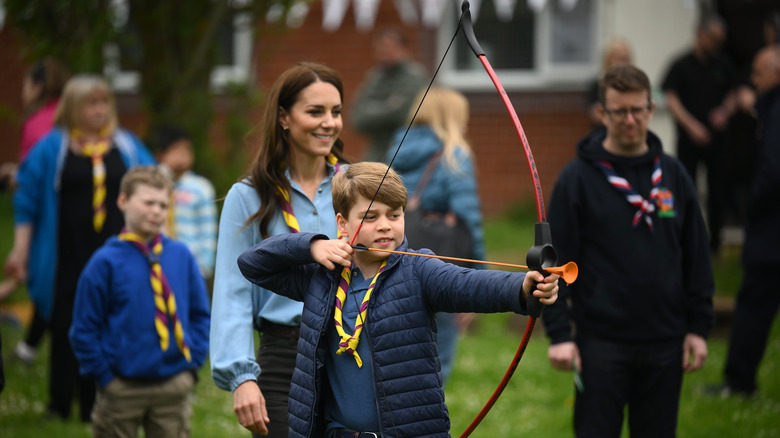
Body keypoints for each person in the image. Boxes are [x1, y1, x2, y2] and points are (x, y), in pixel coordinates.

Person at [236, 161, 560, 438]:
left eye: (394, 215)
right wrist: (310, 246)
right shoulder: (321, 276)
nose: (385, 227)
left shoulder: (419, 270)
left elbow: (467, 284)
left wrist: (523, 287)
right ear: (342, 224)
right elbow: (253, 264)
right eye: (371, 216)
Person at [543, 64, 715, 438]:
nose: (630, 119)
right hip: (600, 343)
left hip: (666, 340)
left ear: (652, 109)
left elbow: (697, 254)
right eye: (620, 111)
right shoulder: (577, 179)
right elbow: (551, 261)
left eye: (638, 109)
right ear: (603, 112)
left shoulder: (673, 174)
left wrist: (699, 327)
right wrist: (560, 334)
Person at [4, 74, 155, 421]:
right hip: (65, 254)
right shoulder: (52, 148)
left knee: (110, 324)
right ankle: (58, 405)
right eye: (92, 103)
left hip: (117, 254)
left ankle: (96, 405)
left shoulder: (127, 146)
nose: (101, 110)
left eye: (105, 102)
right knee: (64, 326)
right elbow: (26, 198)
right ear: (73, 107)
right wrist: (21, 249)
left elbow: (154, 186)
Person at [209, 62, 349, 437]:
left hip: (352, 350)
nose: (329, 123)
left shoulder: (355, 184)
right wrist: (241, 375)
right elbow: (232, 290)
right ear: (284, 118)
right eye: (315, 111)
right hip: (285, 356)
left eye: (335, 112)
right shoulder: (248, 195)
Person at [69, 166, 210, 437]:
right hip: (122, 387)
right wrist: (105, 377)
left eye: (163, 205)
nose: (156, 211)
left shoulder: (181, 256)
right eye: (148, 202)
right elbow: (84, 328)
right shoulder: (105, 262)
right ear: (123, 201)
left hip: (174, 384)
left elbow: (200, 314)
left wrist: (192, 365)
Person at [386, 87, 484, 384]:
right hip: (441, 269)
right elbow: (469, 221)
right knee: (436, 365)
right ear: (451, 119)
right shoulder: (454, 155)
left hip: (393, 265)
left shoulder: (396, 150)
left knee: (395, 356)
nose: (466, 126)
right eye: (462, 118)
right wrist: (478, 283)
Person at [712, 45, 780, 398]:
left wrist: (750, 208)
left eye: (758, 73)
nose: (752, 80)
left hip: (771, 237)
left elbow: (772, 170)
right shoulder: (767, 106)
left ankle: (739, 383)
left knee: (753, 308)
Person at [6, 57, 71, 367]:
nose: (22, 90)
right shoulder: (67, 117)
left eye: (26, 84)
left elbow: (32, 180)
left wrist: (12, 175)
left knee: (47, 281)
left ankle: (34, 349)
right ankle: (30, 347)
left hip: (49, 220)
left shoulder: (37, 124)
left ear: (38, 86)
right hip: (78, 217)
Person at [661, 14, 739, 255]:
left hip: (717, 142)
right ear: (699, 33)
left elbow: (736, 92)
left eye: (720, 40)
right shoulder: (681, 64)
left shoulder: (723, 63)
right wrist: (691, 125)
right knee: (685, 189)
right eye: (713, 38)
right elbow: (670, 97)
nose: (716, 44)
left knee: (717, 191)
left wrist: (725, 111)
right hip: (689, 142)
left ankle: (714, 245)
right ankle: (686, 240)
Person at [350, 27, 428, 162]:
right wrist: (388, 106)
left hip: (407, 152)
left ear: (403, 49)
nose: (383, 51)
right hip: (376, 153)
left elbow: (403, 115)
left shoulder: (414, 76)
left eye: (388, 46)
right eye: (379, 47)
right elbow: (358, 118)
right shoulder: (375, 76)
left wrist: (374, 110)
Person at [150, 125, 217, 280]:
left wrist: (205, 267)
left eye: (187, 150)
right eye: (176, 150)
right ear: (161, 155)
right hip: (156, 263)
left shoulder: (201, 187)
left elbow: (208, 230)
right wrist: (166, 169)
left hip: (191, 266)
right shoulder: (153, 184)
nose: (183, 155)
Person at [585, 38, 633, 128]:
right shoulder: (599, 85)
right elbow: (595, 115)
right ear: (607, 59)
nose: (621, 64)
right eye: (618, 58)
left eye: (625, 59)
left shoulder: (635, 86)